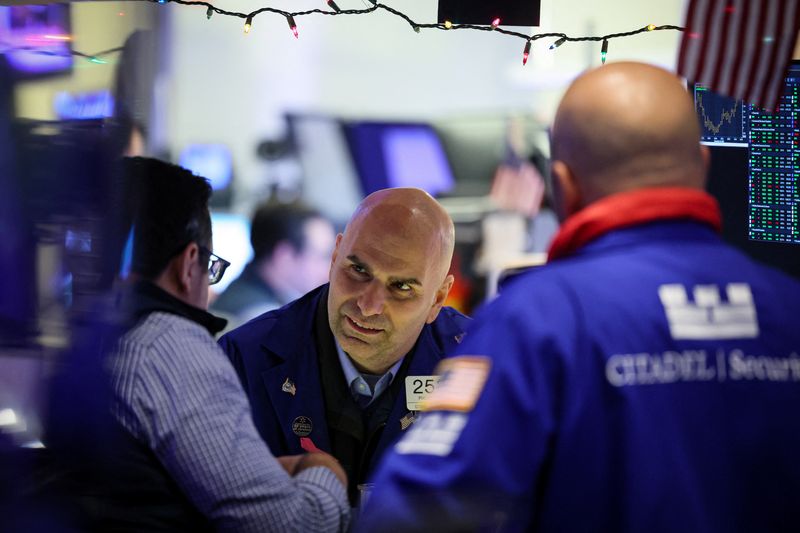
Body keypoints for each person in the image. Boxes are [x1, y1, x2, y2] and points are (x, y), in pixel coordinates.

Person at [360, 62, 800, 532]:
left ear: (563, 185)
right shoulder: (790, 308)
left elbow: (409, 516)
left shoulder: (539, 320)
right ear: (703, 167)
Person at [105, 157, 349, 532]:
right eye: (209, 265)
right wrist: (321, 470)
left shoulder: (82, 335)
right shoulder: (173, 348)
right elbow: (293, 526)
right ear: (189, 264)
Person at [219, 188, 470, 503]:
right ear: (335, 256)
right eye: (359, 270)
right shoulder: (243, 361)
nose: (368, 305)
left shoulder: (477, 364)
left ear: (437, 298)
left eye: (401, 287)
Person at [212, 202, 335, 327]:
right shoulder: (265, 322)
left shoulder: (240, 293)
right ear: (285, 257)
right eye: (323, 256)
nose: (331, 268)